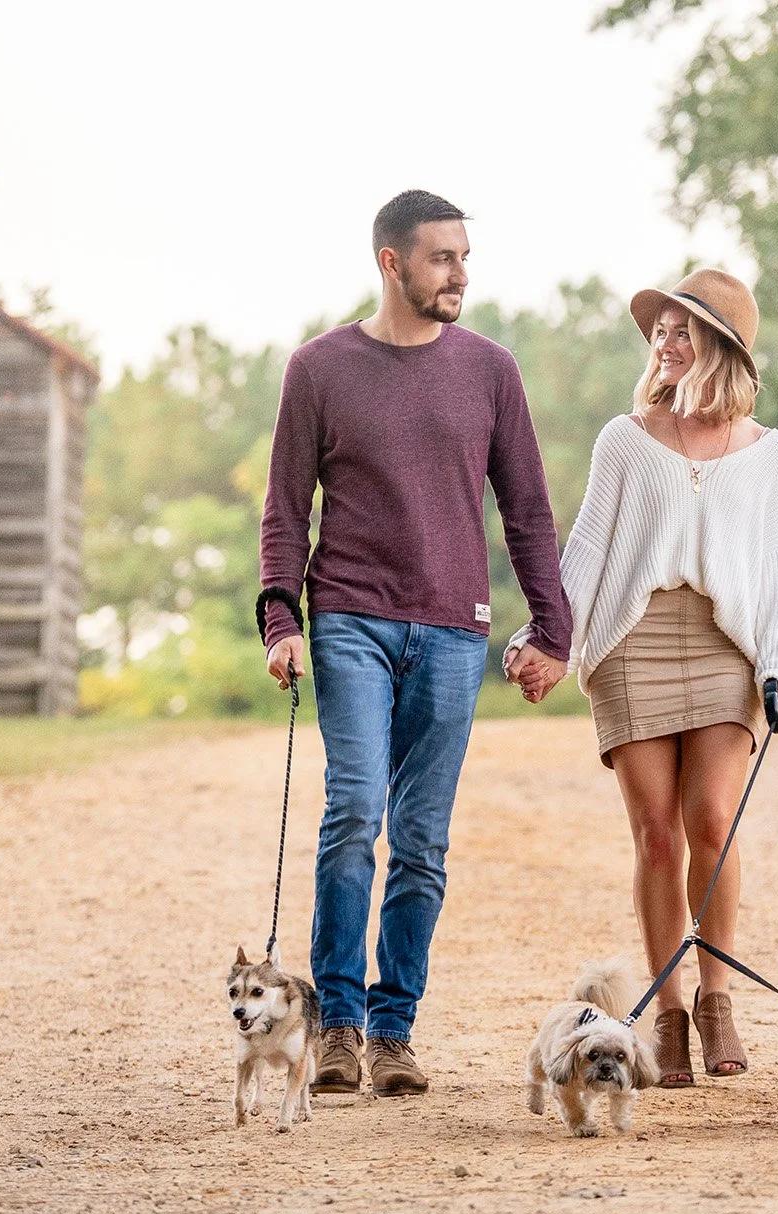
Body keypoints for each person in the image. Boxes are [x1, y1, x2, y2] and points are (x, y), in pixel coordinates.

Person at [259, 190, 571, 1098]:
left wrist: (552, 629)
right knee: (355, 808)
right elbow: (285, 507)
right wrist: (281, 619)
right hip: (350, 615)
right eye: (442, 258)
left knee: (424, 839)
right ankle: (340, 1030)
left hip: (450, 629)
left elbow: (529, 510)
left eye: (465, 257)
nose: (461, 276)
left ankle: (394, 1032)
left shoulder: (491, 371)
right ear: (392, 263)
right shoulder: (318, 369)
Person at [508, 268, 778, 1087]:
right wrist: (548, 640)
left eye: (681, 331)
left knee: (712, 818)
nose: (663, 344)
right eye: (659, 333)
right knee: (656, 834)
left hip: (726, 645)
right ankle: (667, 1014)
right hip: (634, 644)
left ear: (719, 347)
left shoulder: (771, 455)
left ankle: (718, 998)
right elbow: (589, 552)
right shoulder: (625, 439)